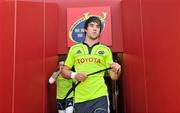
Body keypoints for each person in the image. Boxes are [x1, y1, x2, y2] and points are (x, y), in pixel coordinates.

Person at [61, 16, 121, 113]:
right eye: (92, 25)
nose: (94, 29)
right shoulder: (74, 49)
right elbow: (64, 71)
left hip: (100, 97)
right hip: (81, 99)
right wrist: (75, 75)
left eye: (97, 27)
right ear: (85, 29)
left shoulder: (105, 50)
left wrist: (117, 69)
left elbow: (114, 77)